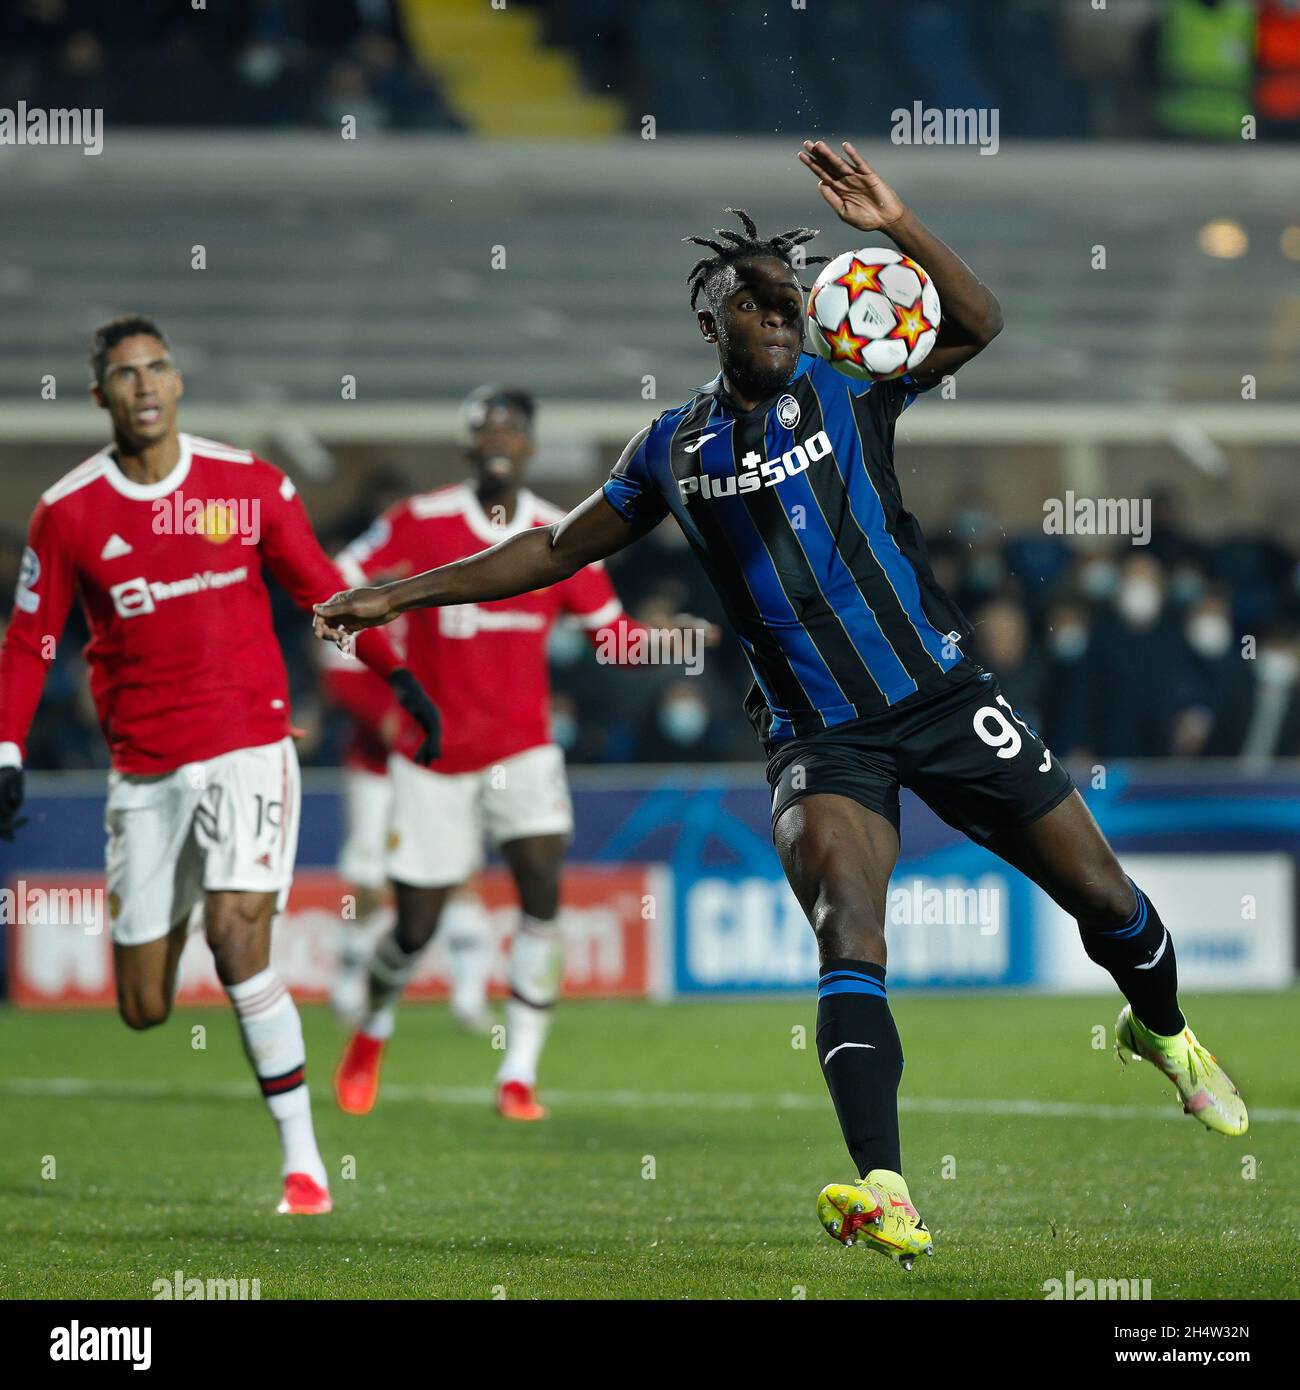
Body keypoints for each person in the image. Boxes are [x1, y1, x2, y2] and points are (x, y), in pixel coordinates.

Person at [311, 144, 1248, 1268]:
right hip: (819, 737)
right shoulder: (671, 448)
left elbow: (981, 322)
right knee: (847, 928)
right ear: (713, 321)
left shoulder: (854, 385)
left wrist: (898, 221)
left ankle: (1163, 1031)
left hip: (941, 694)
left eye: (790, 299)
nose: (782, 315)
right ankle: (887, 1186)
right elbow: (551, 548)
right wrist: (392, 596)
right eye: (756, 302)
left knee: (1109, 903)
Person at [0, 314, 441, 1215]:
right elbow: (27, 641)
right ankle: (187, 933)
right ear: (101, 396)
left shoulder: (241, 487)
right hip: (146, 771)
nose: (145, 385)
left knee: (239, 939)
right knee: (143, 1005)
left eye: (158, 368)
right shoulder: (69, 512)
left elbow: (323, 587)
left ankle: (304, 1167)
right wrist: (6, 749)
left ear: (178, 383)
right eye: (125, 375)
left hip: (248, 743)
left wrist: (401, 678)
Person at [328, 386, 692, 1122]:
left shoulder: (561, 532)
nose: (498, 436)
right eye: (484, 426)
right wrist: (385, 702)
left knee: (542, 898)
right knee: (414, 926)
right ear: (466, 446)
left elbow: (612, 637)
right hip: (435, 755)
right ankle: (372, 1029)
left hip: (525, 754)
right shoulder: (419, 522)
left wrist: (678, 640)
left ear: (529, 444)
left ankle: (518, 1073)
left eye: (512, 426)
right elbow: (337, 590)